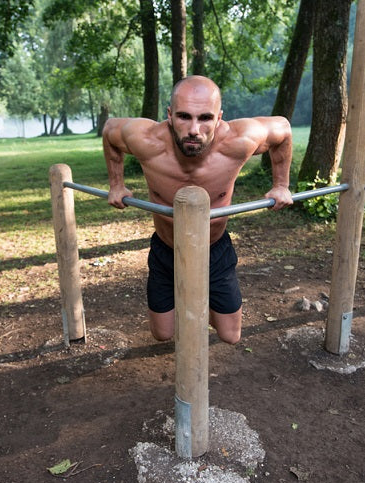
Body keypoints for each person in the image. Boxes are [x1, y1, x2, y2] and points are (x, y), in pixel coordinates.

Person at [102, 75, 293, 345]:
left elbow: (283, 129)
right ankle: (186, 300)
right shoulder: (146, 140)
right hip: (167, 249)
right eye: (184, 116)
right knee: (163, 334)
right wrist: (116, 185)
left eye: (205, 118)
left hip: (213, 248)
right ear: (169, 116)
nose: (194, 129)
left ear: (219, 118)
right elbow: (110, 129)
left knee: (231, 335)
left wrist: (281, 185)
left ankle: (200, 302)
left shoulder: (238, 141)